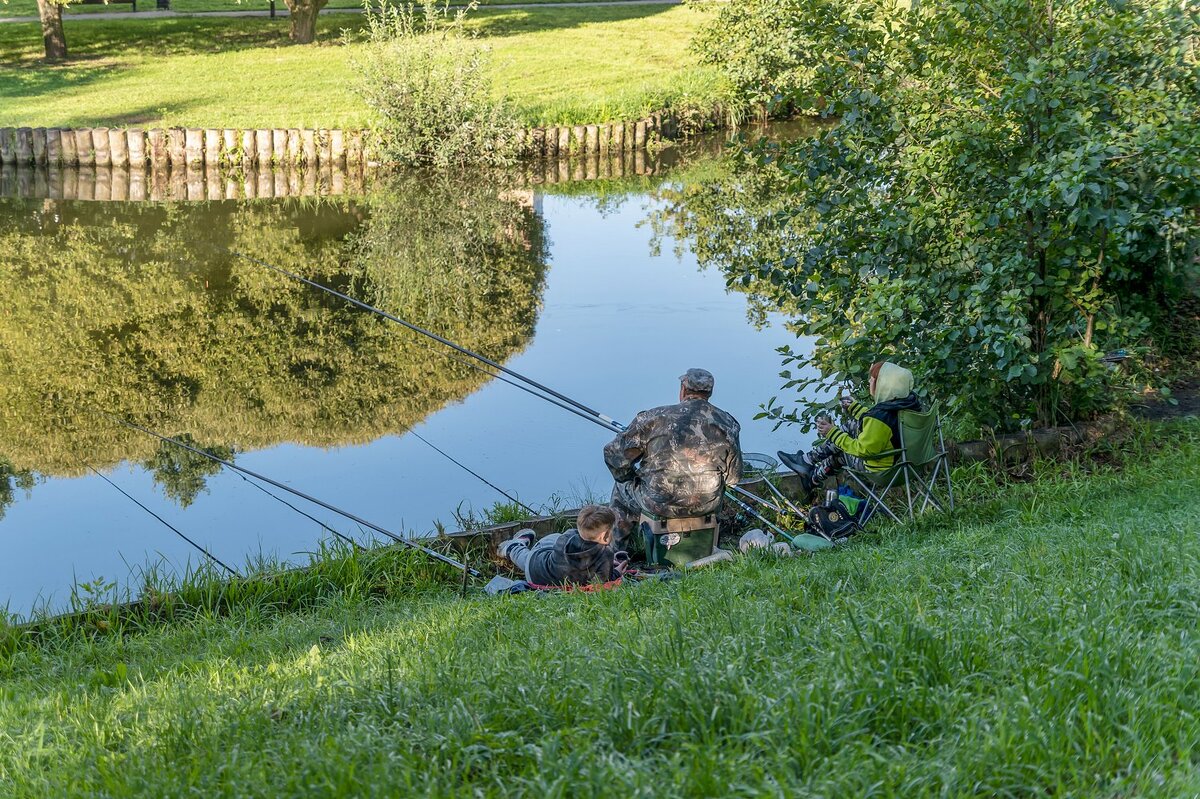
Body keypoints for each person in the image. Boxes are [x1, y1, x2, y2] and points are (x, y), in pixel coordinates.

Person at [603, 368, 743, 550]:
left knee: (621, 488)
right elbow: (734, 479)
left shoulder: (654, 417)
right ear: (710, 393)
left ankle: (615, 554)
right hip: (705, 505)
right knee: (718, 486)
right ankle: (707, 545)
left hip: (657, 503)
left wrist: (629, 476)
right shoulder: (728, 423)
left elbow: (613, 455)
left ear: (683, 389)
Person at [778, 361, 921, 491]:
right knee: (852, 425)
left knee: (841, 454)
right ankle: (808, 463)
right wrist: (855, 409)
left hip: (883, 471)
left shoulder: (881, 417)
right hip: (910, 463)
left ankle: (810, 475)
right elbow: (879, 426)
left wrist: (832, 432)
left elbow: (863, 450)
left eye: (873, 380)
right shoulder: (909, 403)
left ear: (884, 385)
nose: (870, 382)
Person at [497, 504, 627, 587]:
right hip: (544, 583)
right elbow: (601, 582)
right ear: (604, 536)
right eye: (612, 530)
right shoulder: (605, 556)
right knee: (539, 551)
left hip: (536, 570)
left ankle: (513, 547)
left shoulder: (568, 536)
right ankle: (512, 548)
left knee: (533, 555)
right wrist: (616, 571)